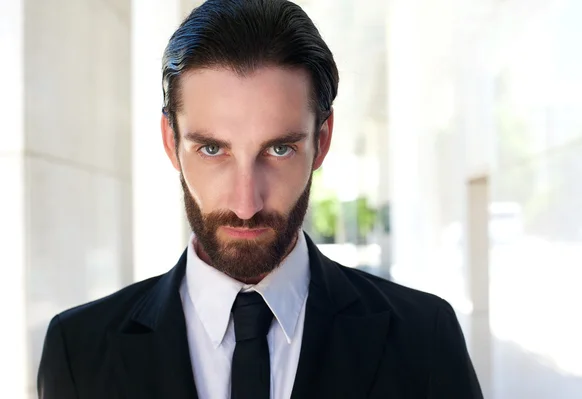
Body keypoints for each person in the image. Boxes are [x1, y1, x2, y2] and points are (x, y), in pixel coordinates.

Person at [37, 0, 484, 398]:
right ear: (171, 141)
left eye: (278, 149)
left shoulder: (425, 338)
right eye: (213, 149)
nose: (246, 203)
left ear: (321, 141)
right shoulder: (76, 350)